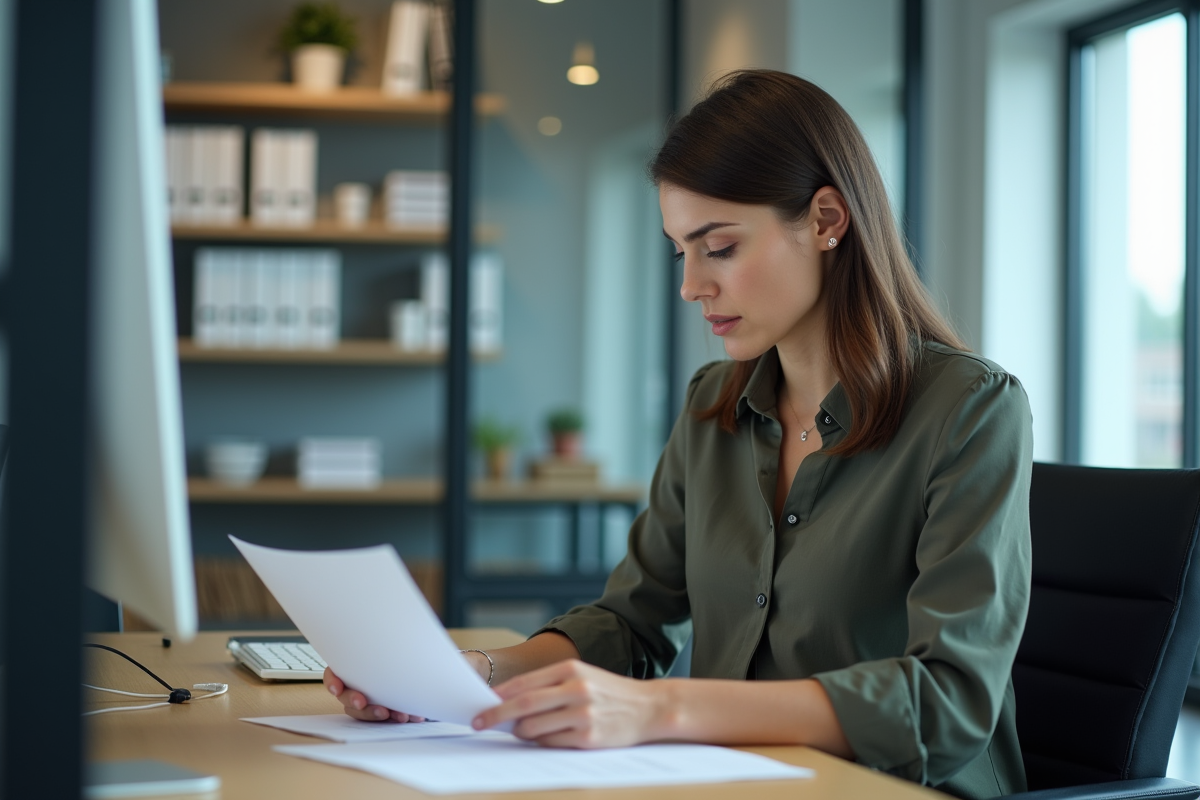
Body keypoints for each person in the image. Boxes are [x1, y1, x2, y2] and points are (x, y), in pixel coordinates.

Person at [325, 69, 1033, 800]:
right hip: (736, 783)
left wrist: (663, 709)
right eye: (680, 252)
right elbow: (631, 623)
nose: (693, 285)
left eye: (719, 247)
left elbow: (949, 701)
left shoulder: (970, 410)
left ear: (827, 220)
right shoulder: (714, 406)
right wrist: (469, 675)